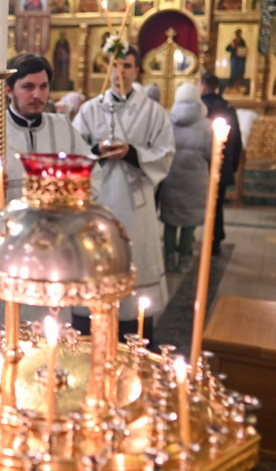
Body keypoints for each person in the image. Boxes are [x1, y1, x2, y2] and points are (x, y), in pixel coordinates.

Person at [0, 53, 98, 327]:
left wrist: (72, 192)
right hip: (1, 249)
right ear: (9, 89)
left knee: (48, 328)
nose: (38, 94)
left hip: (54, 247)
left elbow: (93, 176)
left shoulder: (64, 129)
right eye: (28, 87)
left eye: (44, 86)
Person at [72, 47, 175, 341]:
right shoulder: (90, 110)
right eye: (115, 66)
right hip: (95, 200)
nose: (121, 73)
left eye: (127, 66)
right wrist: (96, 152)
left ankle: (133, 333)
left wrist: (132, 153)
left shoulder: (153, 111)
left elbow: (165, 153)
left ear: (137, 70)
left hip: (135, 202)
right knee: (92, 263)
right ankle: (87, 338)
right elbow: (75, 151)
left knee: (134, 261)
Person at [160, 82, 212, 273]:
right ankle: (184, 258)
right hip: (195, 179)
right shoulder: (206, 125)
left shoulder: (168, 121)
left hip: (171, 176)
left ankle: (168, 257)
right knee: (189, 222)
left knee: (170, 220)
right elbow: (211, 152)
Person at [199, 73, 243, 255]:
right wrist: (232, 167)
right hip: (222, 164)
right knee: (217, 204)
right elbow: (237, 140)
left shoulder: (199, 107)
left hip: (200, 164)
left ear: (202, 86)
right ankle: (215, 240)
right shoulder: (228, 108)